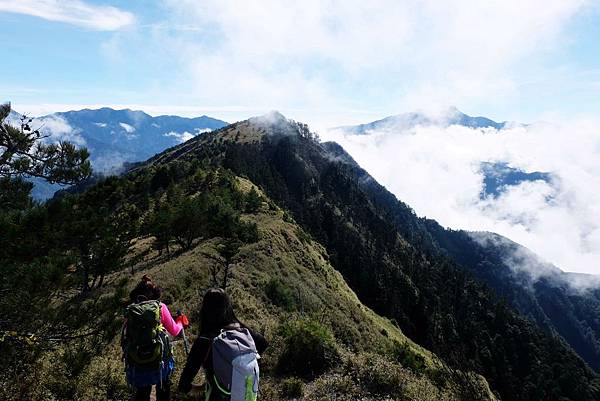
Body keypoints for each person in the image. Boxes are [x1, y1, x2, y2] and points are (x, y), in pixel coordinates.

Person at [178, 288, 268, 400]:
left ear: (205, 310)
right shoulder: (241, 330)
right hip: (246, 395)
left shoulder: (204, 341)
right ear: (228, 307)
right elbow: (263, 344)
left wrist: (203, 387)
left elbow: (183, 386)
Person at [124, 275, 189, 401]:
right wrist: (181, 322)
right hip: (160, 362)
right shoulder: (160, 307)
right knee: (163, 390)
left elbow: (127, 335)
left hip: (138, 360)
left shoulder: (131, 311)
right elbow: (175, 331)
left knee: (142, 393)